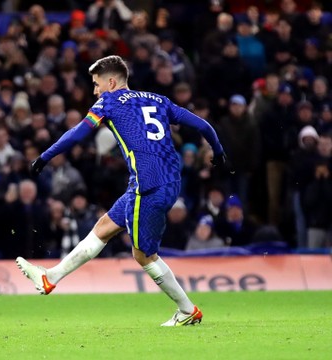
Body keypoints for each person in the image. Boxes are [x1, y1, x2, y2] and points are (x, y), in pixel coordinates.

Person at [16, 55, 228, 326]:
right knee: (104, 227)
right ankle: (51, 277)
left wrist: (44, 157)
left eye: (96, 84)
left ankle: (187, 310)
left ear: (112, 82)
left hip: (149, 186)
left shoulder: (108, 102)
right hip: (166, 180)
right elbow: (203, 125)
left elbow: (79, 133)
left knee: (142, 254)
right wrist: (218, 152)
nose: (95, 91)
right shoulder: (158, 99)